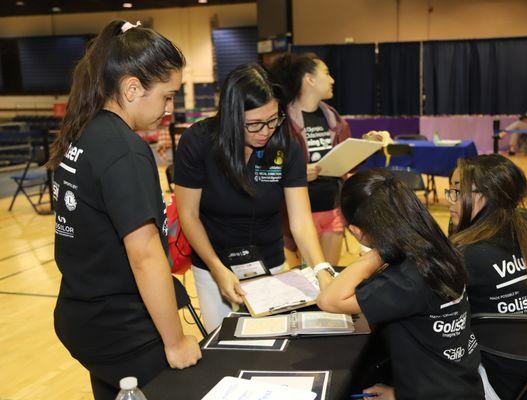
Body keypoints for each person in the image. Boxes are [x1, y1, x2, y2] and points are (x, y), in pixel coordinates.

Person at [48, 20, 201, 400]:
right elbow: (145, 255)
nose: (170, 109)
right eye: (167, 96)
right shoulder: (125, 149)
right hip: (120, 328)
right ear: (132, 87)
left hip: (82, 315)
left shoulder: (82, 131)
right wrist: (176, 340)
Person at [174, 63, 332, 332]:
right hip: (215, 266)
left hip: (269, 263)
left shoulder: (285, 146)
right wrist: (216, 268)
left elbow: (301, 220)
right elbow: (188, 215)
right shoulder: (198, 142)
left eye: (273, 120)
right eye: (254, 124)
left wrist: (321, 269)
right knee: (223, 346)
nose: (266, 131)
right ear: (231, 117)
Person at [316, 168, 484, 400]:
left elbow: (328, 299)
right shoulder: (439, 251)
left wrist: (377, 251)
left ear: (357, 231)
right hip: (455, 386)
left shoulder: (408, 278)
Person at [447, 154, 527, 399]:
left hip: (499, 383)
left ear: (486, 196)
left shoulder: (466, 255)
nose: (451, 201)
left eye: (458, 192)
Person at [269, 53, 351, 266]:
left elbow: (347, 161)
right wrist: (295, 172)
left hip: (332, 207)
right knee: (307, 283)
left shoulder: (334, 118)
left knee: (330, 279)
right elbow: (268, 166)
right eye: (326, 73)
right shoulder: (282, 122)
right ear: (310, 79)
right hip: (299, 213)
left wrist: (366, 146)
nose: (332, 80)